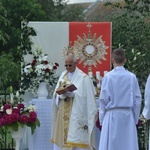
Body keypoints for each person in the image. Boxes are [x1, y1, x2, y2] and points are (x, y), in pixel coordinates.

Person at [51, 52, 97, 150]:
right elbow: (56, 93)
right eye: (66, 65)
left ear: (75, 64)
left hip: (75, 113)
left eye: (70, 65)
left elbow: (86, 98)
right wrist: (61, 94)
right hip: (63, 112)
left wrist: (73, 94)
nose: (67, 67)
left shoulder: (83, 78)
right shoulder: (63, 75)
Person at [98, 48, 142, 150]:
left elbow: (103, 100)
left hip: (112, 116)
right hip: (127, 116)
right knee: (127, 145)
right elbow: (137, 100)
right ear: (125, 60)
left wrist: (102, 120)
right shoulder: (131, 77)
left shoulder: (108, 77)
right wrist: (134, 119)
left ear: (112, 60)